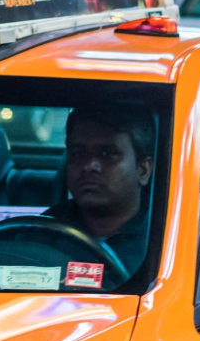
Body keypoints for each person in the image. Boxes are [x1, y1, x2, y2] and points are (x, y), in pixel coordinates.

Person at [43, 105, 156, 280]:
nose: (89, 166)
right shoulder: (41, 232)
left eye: (108, 153)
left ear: (143, 171)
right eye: (78, 153)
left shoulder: (168, 235)